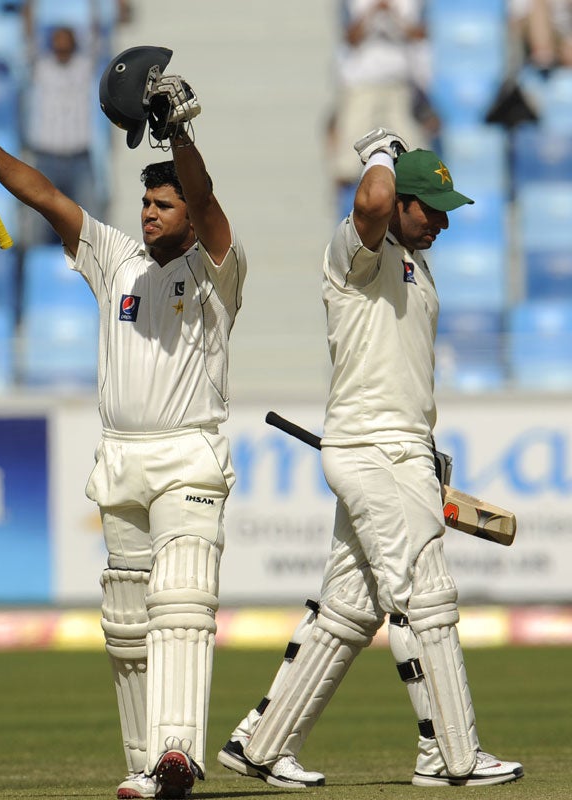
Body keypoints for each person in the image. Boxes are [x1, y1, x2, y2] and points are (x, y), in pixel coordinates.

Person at [0, 46, 246, 800]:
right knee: (127, 625)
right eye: (146, 205)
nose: (149, 213)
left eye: (163, 206)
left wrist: (177, 137)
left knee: (182, 602)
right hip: (121, 457)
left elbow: (209, 196)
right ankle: (144, 767)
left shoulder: (218, 269)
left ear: (189, 217)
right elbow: (50, 199)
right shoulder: (116, 260)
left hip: (189, 456)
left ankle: (177, 756)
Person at [217, 127, 524, 788]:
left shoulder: (417, 265)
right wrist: (381, 153)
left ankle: (262, 747)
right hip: (373, 451)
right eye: (431, 208)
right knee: (427, 592)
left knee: (350, 612)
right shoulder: (356, 253)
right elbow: (373, 203)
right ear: (400, 202)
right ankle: (454, 757)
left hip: (398, 448)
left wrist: (424, 447)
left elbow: (404, 373)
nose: (442, 221)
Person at [328, 1, 440, 212]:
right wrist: (372, 13)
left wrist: (393, 16)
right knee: (346, 165)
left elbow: (420, 34)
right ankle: (346, 220)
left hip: (400, 84)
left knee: (415, 158)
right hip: (360, 85)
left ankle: (412, 220)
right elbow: (349, 37)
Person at [23, 25, 104, 242]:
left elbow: (97, 37)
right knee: (36, 226)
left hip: (79, 159)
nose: (62, 51)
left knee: (92, 225)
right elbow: (28, 36)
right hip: (46, 158)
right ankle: (30, 270)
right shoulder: (41, 68)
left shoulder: (84, 68)